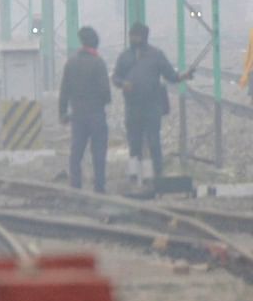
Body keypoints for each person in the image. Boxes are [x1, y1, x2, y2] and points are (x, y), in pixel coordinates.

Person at [112, 23, 191, 184]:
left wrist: (183, 76)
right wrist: (122, 83)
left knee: (154, 141)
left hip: (152, 105)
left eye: (136, 36)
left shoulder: (156, 55)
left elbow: (170, 75)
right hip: (132, 105)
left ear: (144, 37)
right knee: (134, 142)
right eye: (131, 35)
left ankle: (156, 174)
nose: (133, 39)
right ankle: (135, 175)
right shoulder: (125, 56)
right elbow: (115, 77)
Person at [58, 26, 111, 193]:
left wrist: (63, 113)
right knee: (99, 152)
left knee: (76, 151)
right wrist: (104, 101)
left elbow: (64, 90)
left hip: (78, 114)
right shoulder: (98, 63)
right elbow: (105, 91)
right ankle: (99, 186)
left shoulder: (71, 63)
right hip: (96, 113)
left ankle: (75, 185)